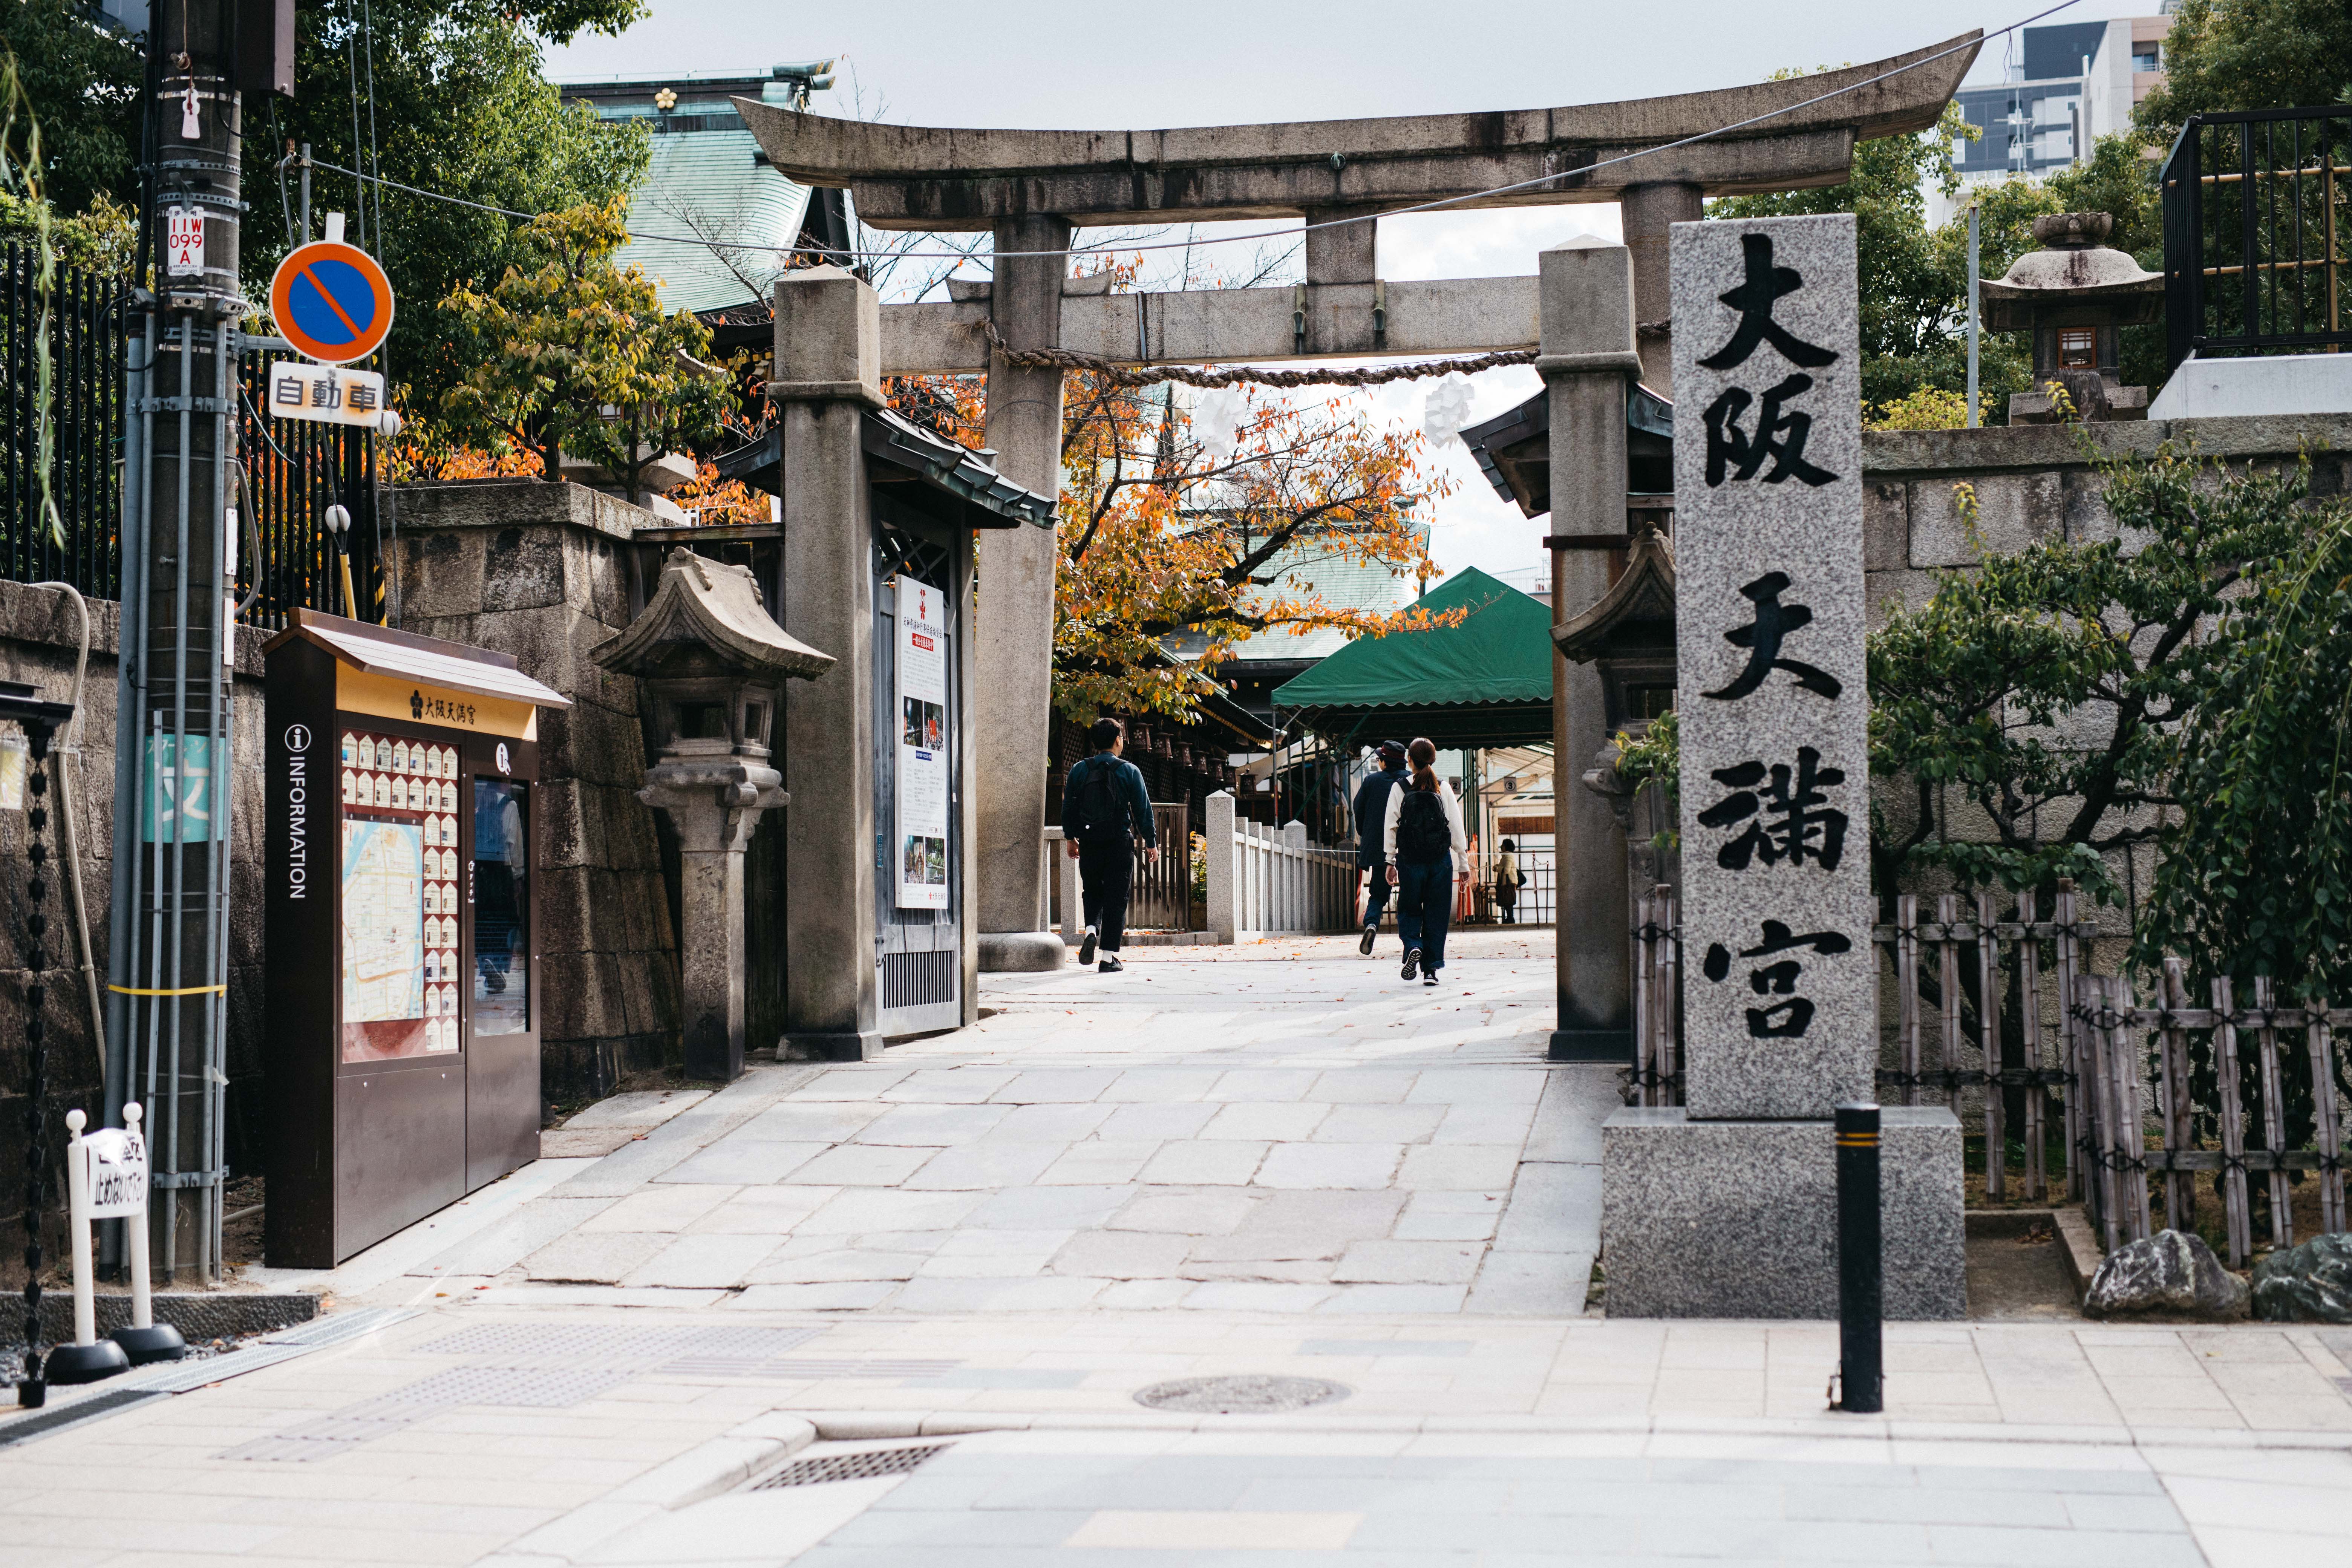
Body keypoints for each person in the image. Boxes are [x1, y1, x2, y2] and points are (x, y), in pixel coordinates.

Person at [1061, 716, 1158, 973]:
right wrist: (1151, 841)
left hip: (1090, 842)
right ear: (1118, 740)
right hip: (1118, 843)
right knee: (1117, 898)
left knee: (1092, 891)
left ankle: (1091, 930)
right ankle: (1107, 958)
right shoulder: (1129, 771)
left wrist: (1071, 839)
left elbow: (1068, 808)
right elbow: (1142, 810)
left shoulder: (1080, 770)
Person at [1383, 737, 1467, 986]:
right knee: (1436, 914)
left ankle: (1413, 945)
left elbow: (1391, 827)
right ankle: (1430, 970)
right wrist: (1463, 864)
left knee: (1409, 909)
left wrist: (1389, 861)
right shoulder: (1443, 787)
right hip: (1440, 860)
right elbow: (1456, 828)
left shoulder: (1400, 788)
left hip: (1410, 859)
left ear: (1409, 759)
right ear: (1433, 760)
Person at [1350, 740, 1410, 955]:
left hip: (1379, 848)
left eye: (1379, 759)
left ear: (1384, 762)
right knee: (1411, 894)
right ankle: (1411, 941)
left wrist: (1366, 833)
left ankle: (1372, 924)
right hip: (1410, 848)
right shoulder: (1412, 780)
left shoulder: (1371, 781)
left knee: (1378, 893)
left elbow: (1358, 809)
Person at [1493, 838, 1522, 926]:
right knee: (1507, 900)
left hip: (1509, 882)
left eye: (1503, 845)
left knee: (1508, 900)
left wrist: (1497, 868)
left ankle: (1510, 918)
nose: (1501, 847)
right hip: (1507, 882)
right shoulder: (1506, 856)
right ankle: (1509, 918)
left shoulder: (1508, 856)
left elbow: (1506, 870)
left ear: (1506, 847)